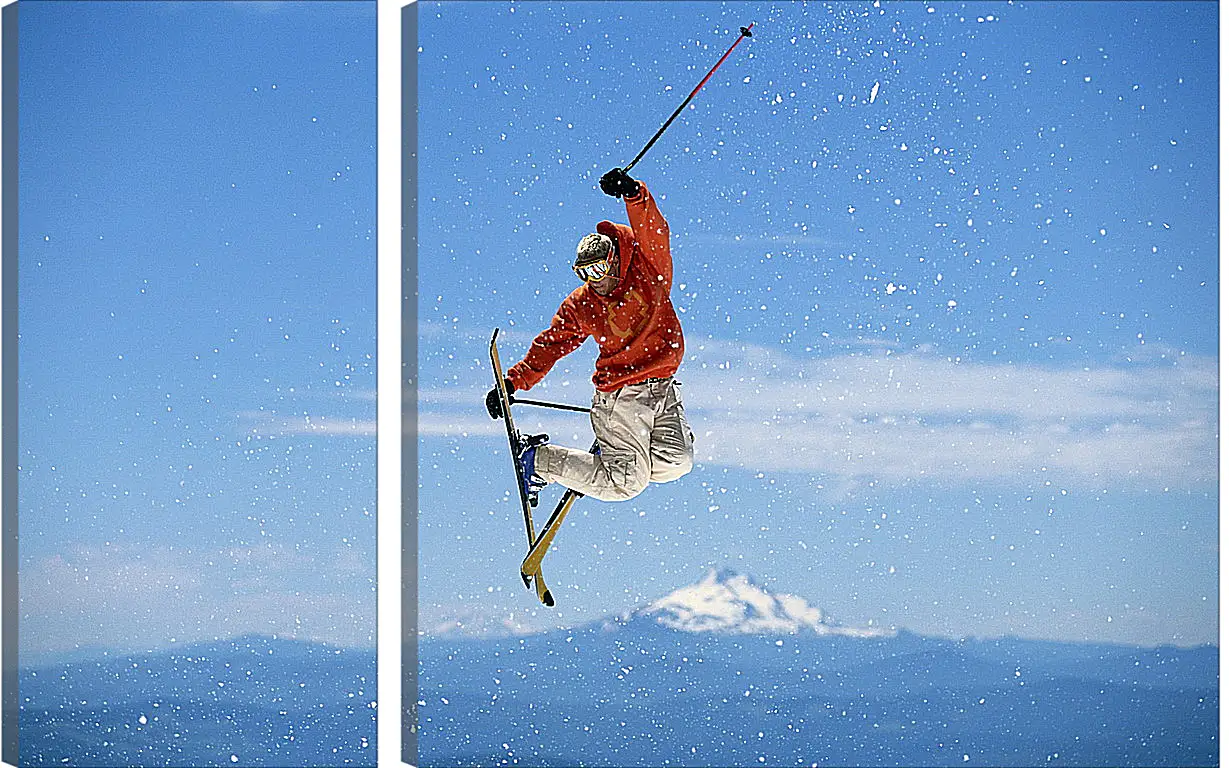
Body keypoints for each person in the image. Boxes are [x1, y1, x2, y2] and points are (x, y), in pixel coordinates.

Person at [486, 167, 694, 503]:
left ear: (615, 260)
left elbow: (654, 231)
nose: (593, 280)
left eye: (598, 269)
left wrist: (632, 192)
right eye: (584, 273)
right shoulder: (584, 303)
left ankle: (614, 457)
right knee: (625, 484)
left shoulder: (648, 270)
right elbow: (551, 344)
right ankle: (538, 461)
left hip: (662, 387)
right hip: (621, 395)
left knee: (677, 461)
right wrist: (512, 382)